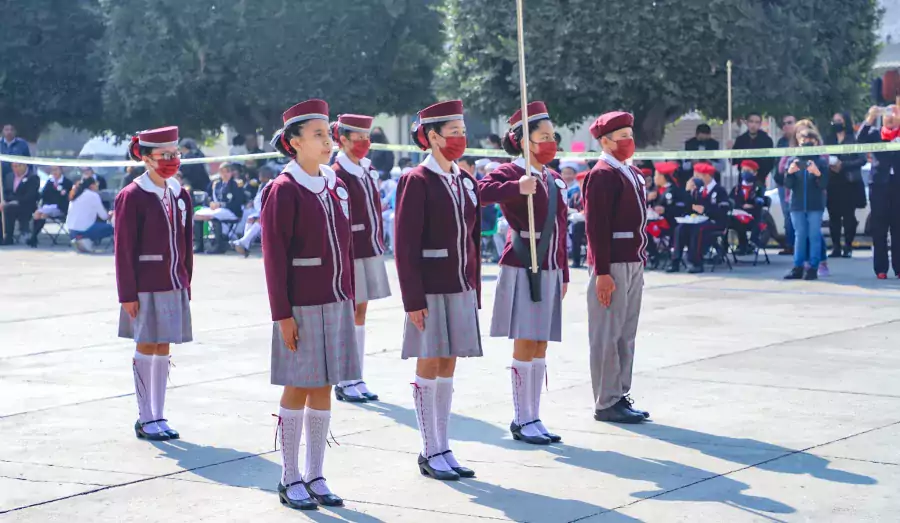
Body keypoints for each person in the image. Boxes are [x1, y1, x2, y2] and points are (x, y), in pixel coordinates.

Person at [262, 100, 355, 510]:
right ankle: (289, 476)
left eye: (327, 133)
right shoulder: (283, 189)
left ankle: (316, 474)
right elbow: (274, 257)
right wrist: (282, 314)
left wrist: (348, 294)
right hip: (300, 305)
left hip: (334, 300)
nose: (327, 141)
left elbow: (347, 247)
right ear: (294, 142)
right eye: (317, 134)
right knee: (297, 386)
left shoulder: (335, 183)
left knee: (324, 385)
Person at [395, 100, 481, 480]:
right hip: (429, 288)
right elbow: (404, 245)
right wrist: (412, 298)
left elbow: (473, 237)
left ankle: (444, 446)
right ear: (432, 136)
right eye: (453, 132)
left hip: (459, 284)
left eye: (463, 131)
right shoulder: (417, 180)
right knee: (429, 362)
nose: (460, 139)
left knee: (449, 363)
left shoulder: (463, 178)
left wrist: (473, 285)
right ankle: (429, 450)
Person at [479, 101, 569, 445]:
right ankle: (522, 417)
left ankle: (535, 415)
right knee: (525, 340)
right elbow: (480, 193)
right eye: (542, 136)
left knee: (542, 342)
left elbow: (561, 227)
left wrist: (564, 271)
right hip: (521, 262)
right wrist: (516, 188)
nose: (550, 142)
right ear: (522, 141)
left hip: (549, 265)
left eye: (552, 136)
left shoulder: (555, 178)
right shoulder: (511, 172)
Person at [114, 126, 193, 443]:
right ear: (145, 158)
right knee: (146, 345)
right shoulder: (132, 195)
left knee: (164, 347)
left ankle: (159, 414)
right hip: (145, 284)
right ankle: (145, 417)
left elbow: (186, 244)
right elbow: (123, 249)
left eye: (175, 155)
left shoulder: (180, 193)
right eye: (164, 155)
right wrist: (127, 294)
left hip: (174, 282)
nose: (171, 160)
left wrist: (186, 281)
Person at [583, 111, 649, 425]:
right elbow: (596, 228)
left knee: (625, 333)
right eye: (620, 137)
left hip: (633, 260)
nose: (627, 142)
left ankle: (620, 393)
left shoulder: (630, 172)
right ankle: (606, 400)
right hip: (613, 264)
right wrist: (602, 272)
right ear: (605, 142)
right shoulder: (602, 174)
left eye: (629, 135)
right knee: (606, 333)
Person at [330, 113, 391, 403]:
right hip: (348, 251)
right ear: (342, 140)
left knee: (361, 312)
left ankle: (357, 375)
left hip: (368, 248)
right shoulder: (336, 172)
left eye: (367, 138)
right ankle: (344, 378)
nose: (365, 143)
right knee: (349, 313)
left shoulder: (366, 169)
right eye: (359, 138)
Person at [857, 105, 900, 279]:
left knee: (898, 228)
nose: (890, 118)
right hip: (879, 185)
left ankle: (898, 269)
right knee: (879, 228)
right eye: (887, 115)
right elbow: (859, 140)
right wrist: (870, 118)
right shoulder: (875, 133)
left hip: (897, 184)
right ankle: (880, 269)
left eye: (894, 115)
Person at [783, 129, 829, 280]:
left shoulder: (821, 162)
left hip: (815, 205)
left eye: (810, 140)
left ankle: (813, 268)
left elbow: (824, 184)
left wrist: (817, 173)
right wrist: (789, 172)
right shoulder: (793, 160)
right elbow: (787, 185)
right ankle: (798, 267)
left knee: (814, 235)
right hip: (796, 205)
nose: (806, 142)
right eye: (803, 139)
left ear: (816, 142)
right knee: (800, 235)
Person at [667, 162, 730, 274]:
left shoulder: (719, 190)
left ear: (707, 176)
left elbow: (723, 211)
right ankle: (675, 261)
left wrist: (706, 210)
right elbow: (687, 208)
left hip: (715, 222)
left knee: (698, 230)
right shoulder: (698, 190)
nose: (694, 179)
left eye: (697, 176)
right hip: (697, 220)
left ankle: (696, 262)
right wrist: (687, 192)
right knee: (680, 228)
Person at [825, 112, 867, 258]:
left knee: (849, 217)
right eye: (834, 120)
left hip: (849, 183)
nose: (836, 123)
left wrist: (843, 165)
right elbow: (822, 156)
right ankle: (836, 247)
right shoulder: (829, 139)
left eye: (839, 120)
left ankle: (848, 246)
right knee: (833, 217)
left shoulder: (853, 139)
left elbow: (862, 160)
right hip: (832, 183)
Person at [193, 163, 246, 254]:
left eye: (227, 172)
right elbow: (210, 197)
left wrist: (220, 205)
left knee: (214, 215)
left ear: (231, 173)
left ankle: (218, 246)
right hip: (218, 210)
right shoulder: (217, 184)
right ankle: (199, 245)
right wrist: (211, 203)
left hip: (232, 211)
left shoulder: (236, 184)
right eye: (222, 172)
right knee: (197, 215)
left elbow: (238, 202)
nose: (225, 174)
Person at [645, 161, 686, 261]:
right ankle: (653, 253)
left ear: (662, 177)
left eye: (656, 175)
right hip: (656, 221)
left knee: (644, 230)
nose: (654, 179)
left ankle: (654, 254)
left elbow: (681, 208)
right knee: (640, 228)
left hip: (669, 223)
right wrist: (648, 200)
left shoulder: (673, 190)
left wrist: (665, 210)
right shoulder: (657, 191)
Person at [231, 165, 275, 257]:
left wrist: (260, 213)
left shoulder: (272, 185)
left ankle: (243, 242)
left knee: (260, 220)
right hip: (261, 211)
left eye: (261, 174)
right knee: (250, 218)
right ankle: (245, 245)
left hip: (272, 214)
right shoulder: (262, 185)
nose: (259, 175)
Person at [27, 165, 74, 247]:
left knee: (39, 213)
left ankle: (33, 237)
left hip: (61, 208)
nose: (54, 172)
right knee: (40, 215)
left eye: (56, 170)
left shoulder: (67, 182)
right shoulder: (50, 182)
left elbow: (70, 197)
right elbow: (43, 194)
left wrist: (64, 193)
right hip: (48, 206)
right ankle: (33, 238)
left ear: (61, 170)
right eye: (52, 170)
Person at [65, 176, 113, 252]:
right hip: (84, 230)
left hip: (71, 230)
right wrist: (110, 214)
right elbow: (104, 216)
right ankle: (84, 238)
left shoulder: (75, 194)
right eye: (96, 184)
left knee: (93, 224)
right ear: (92, 185)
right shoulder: (93, 195)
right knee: (114, 228)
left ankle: (83, 240)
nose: (97, 186)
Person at [729, 160, 767, 255]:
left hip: (753, 216)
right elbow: (732, 201)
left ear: (754, 173)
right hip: (739, 215)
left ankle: (749, 244)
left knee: (755, 222)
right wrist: (742, 206)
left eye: (748, 171)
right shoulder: (737, 188)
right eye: (743, 170)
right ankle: (725, 248)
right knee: (728, 220)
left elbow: (760, 202)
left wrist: (753, 203)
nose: (745, 173)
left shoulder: (759, 187)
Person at [1, 162, 40, 245]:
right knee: (5, 207)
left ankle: (8, 237)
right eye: (14, 166)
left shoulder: (33, 178)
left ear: (25, 165)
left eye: (18, 166)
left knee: (8, 208)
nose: (16, 169)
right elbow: (6, 192)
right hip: (9, 204)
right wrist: (4, 200)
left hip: (26, 206)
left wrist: (14, 201)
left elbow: (30, 196)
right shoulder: (9, 176)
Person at [732, 112, 775, 186]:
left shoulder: (767, 140)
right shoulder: (740, 140)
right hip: (743, 179)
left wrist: (761, 176)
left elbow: (771, 162)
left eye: (757, 122)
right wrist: (730, 150)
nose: (753, 125)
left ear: (760, 124)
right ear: (746, 123)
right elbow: (733, 161)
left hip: (760, 180)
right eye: (751, 121)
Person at [775, 115, 797, 255]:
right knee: (787, 214)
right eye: (784, 123)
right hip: (783, 183)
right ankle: (790, 245)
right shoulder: (781, 142)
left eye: (790, 123)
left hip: (797, 183)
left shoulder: (801, 141)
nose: (786, 126)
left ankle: (798, 245)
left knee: (797, 214)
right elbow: (777, 163)